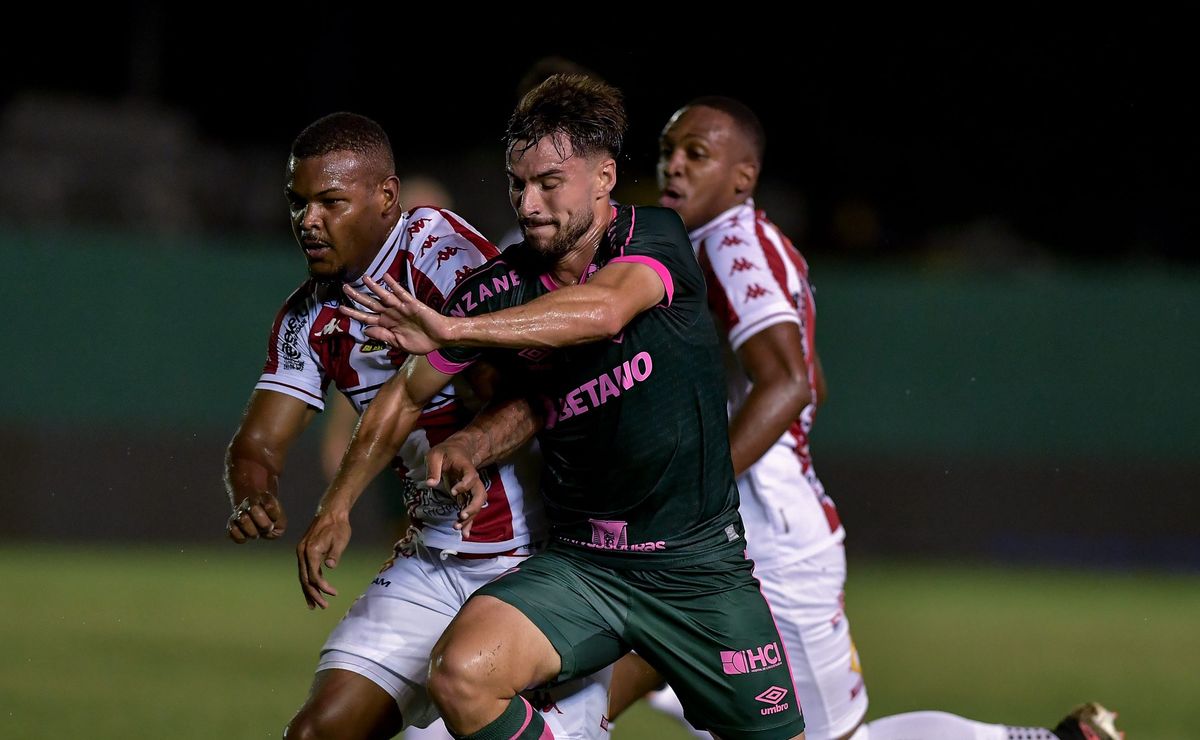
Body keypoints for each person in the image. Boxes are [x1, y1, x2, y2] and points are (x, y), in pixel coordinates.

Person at [299, 74, 808, 739]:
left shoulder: (657, 238)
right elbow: (404, 394)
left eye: (549, 183)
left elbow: (602, 311)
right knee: (460, 674)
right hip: (583, 565)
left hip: (696, 570)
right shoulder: (501, 287)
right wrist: (337, 503)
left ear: (602, 178)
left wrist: (455, 330)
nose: (529, 203)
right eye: (518, 185)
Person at [607, 97, 1125, 740]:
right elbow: (813, 376)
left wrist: (699, 487)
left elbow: (792, 383)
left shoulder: (733, 245)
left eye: (697, 154)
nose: (674, 167)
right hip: (740, 529)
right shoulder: (726, 242)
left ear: (743, 176)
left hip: (770, 541)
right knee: (626, 656)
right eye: (668, 151)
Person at [223, 111, 608, 740]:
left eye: (330, 202)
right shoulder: (308, 318)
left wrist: (464, 420)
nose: (308, 221)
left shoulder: (435, 247)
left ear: (386, 198)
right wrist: (254, 492)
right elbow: (260, 443)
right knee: (316, 733)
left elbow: (535, 387)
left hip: (537, 559)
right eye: (298, 203)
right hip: (433, 559)